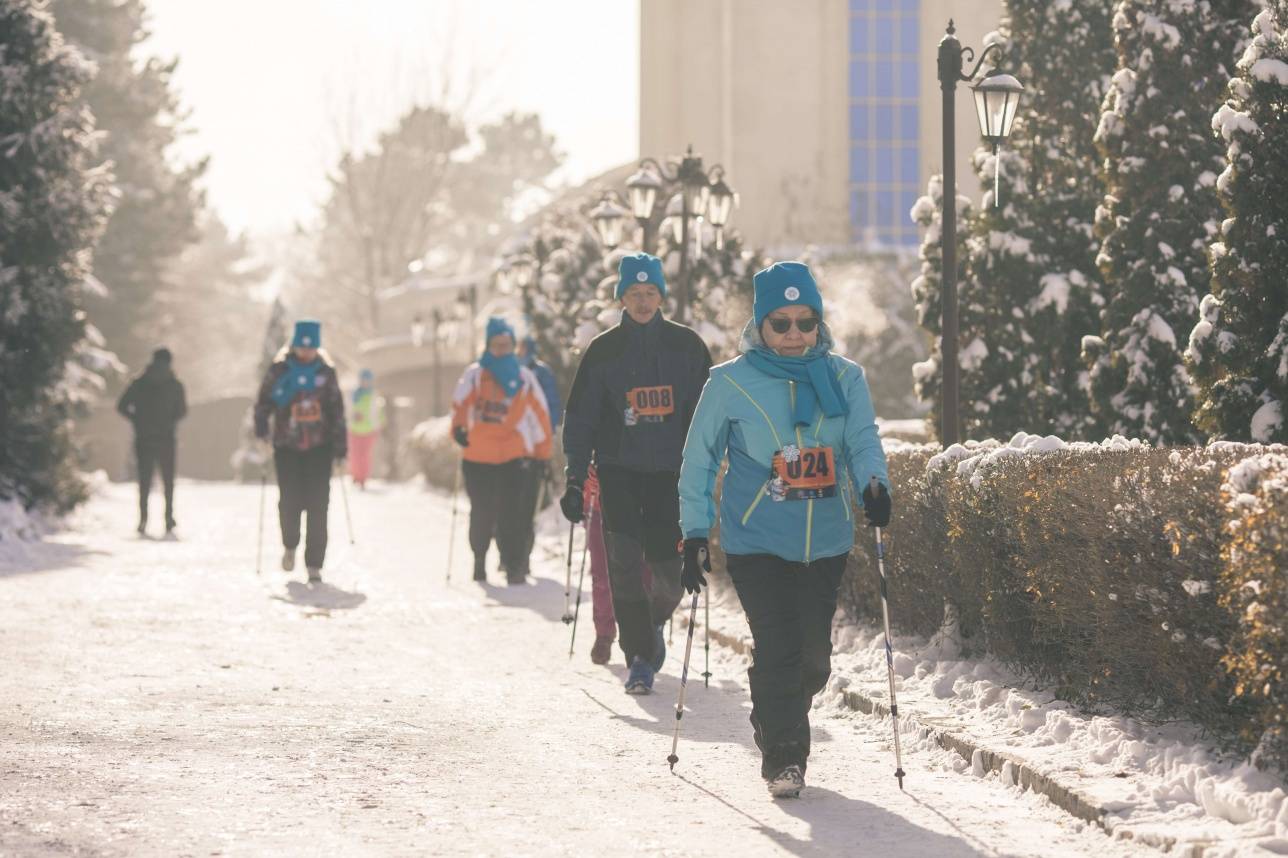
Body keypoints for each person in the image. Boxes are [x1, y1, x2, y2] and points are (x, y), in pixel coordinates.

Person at [677, 261, 891, 799]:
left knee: (814, 656)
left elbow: (862, 440)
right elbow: (699, 460)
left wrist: (873, 484)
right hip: (757, 540)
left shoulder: (846, 377)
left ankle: (772, 716)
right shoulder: (728, 383)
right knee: (777, 646)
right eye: (781, 323)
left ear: (820, 323)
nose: (794, 334)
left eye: (805, 322)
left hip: (826, 539)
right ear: (759, 326)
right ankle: (784, 758)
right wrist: (695, 532)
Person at [560, 252, 712, 694]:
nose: (643, 301)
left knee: (671, 573)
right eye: (633, 293)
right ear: (621, 298)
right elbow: (581, 417)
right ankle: (640, 659)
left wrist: (708, 463)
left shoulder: (687, 348)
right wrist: (574, 477)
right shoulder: (604, 351)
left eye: (650, 293)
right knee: (624, 566)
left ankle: (650, 626)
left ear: (661, 295)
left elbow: (708, 414)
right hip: (619, 472)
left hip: (670, 474)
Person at [450, 317, 553, 585]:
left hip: (512, 455)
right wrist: (459, 430)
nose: (501, 350)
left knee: (513, 513)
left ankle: (512, 563)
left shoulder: (524, 379)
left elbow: (540, 416)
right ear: (487, 345)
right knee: (482, 512)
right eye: (496, 345)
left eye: (506, 345)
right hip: (478, 455)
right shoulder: (474, 375)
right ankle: (479, 560)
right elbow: (459, 405)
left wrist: (543, 453)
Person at [253, 320, 347, 584]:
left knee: (319, 505)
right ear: (294, 345)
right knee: (289, 501)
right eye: (302, 347)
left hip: (320, 446)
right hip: (287, 446)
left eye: (311, 348)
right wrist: (262, 429)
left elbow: (336, 410)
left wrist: (341, 445)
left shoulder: (326, 372)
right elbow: (263, 403)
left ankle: (315, 563)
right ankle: (290, 544)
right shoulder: (279, 370)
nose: (306, 353)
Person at [116, 347, 187, 535]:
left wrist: (137, 420)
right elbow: (182, 411)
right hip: (166, 439)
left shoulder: (139, 383)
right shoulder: (175, 384)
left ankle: (143, 519)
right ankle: (168, 518)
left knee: (144, 481)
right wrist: (170, 421)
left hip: (143, 438)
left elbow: (121, 406)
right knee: (168, 481)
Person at [517, 336, 562, 556]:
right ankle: (512, 551)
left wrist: (547, 435)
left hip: (536, 445)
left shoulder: (541, 373)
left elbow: (552, 405)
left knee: (529, 501)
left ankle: (523, 551)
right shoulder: (509, 370)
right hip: (512, 447)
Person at [347, 368, 385, 489]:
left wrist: (379, 425)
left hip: (369, 430)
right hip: (353, 428)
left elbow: (379, 412)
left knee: (365, 455)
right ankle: (355, 475)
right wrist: (353, 416)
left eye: (368, 380)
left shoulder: (374, 395)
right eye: (363, 380)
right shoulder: (353, 394)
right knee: (354, 454)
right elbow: (347, 409)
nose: (365, 382)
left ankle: (363, 478)